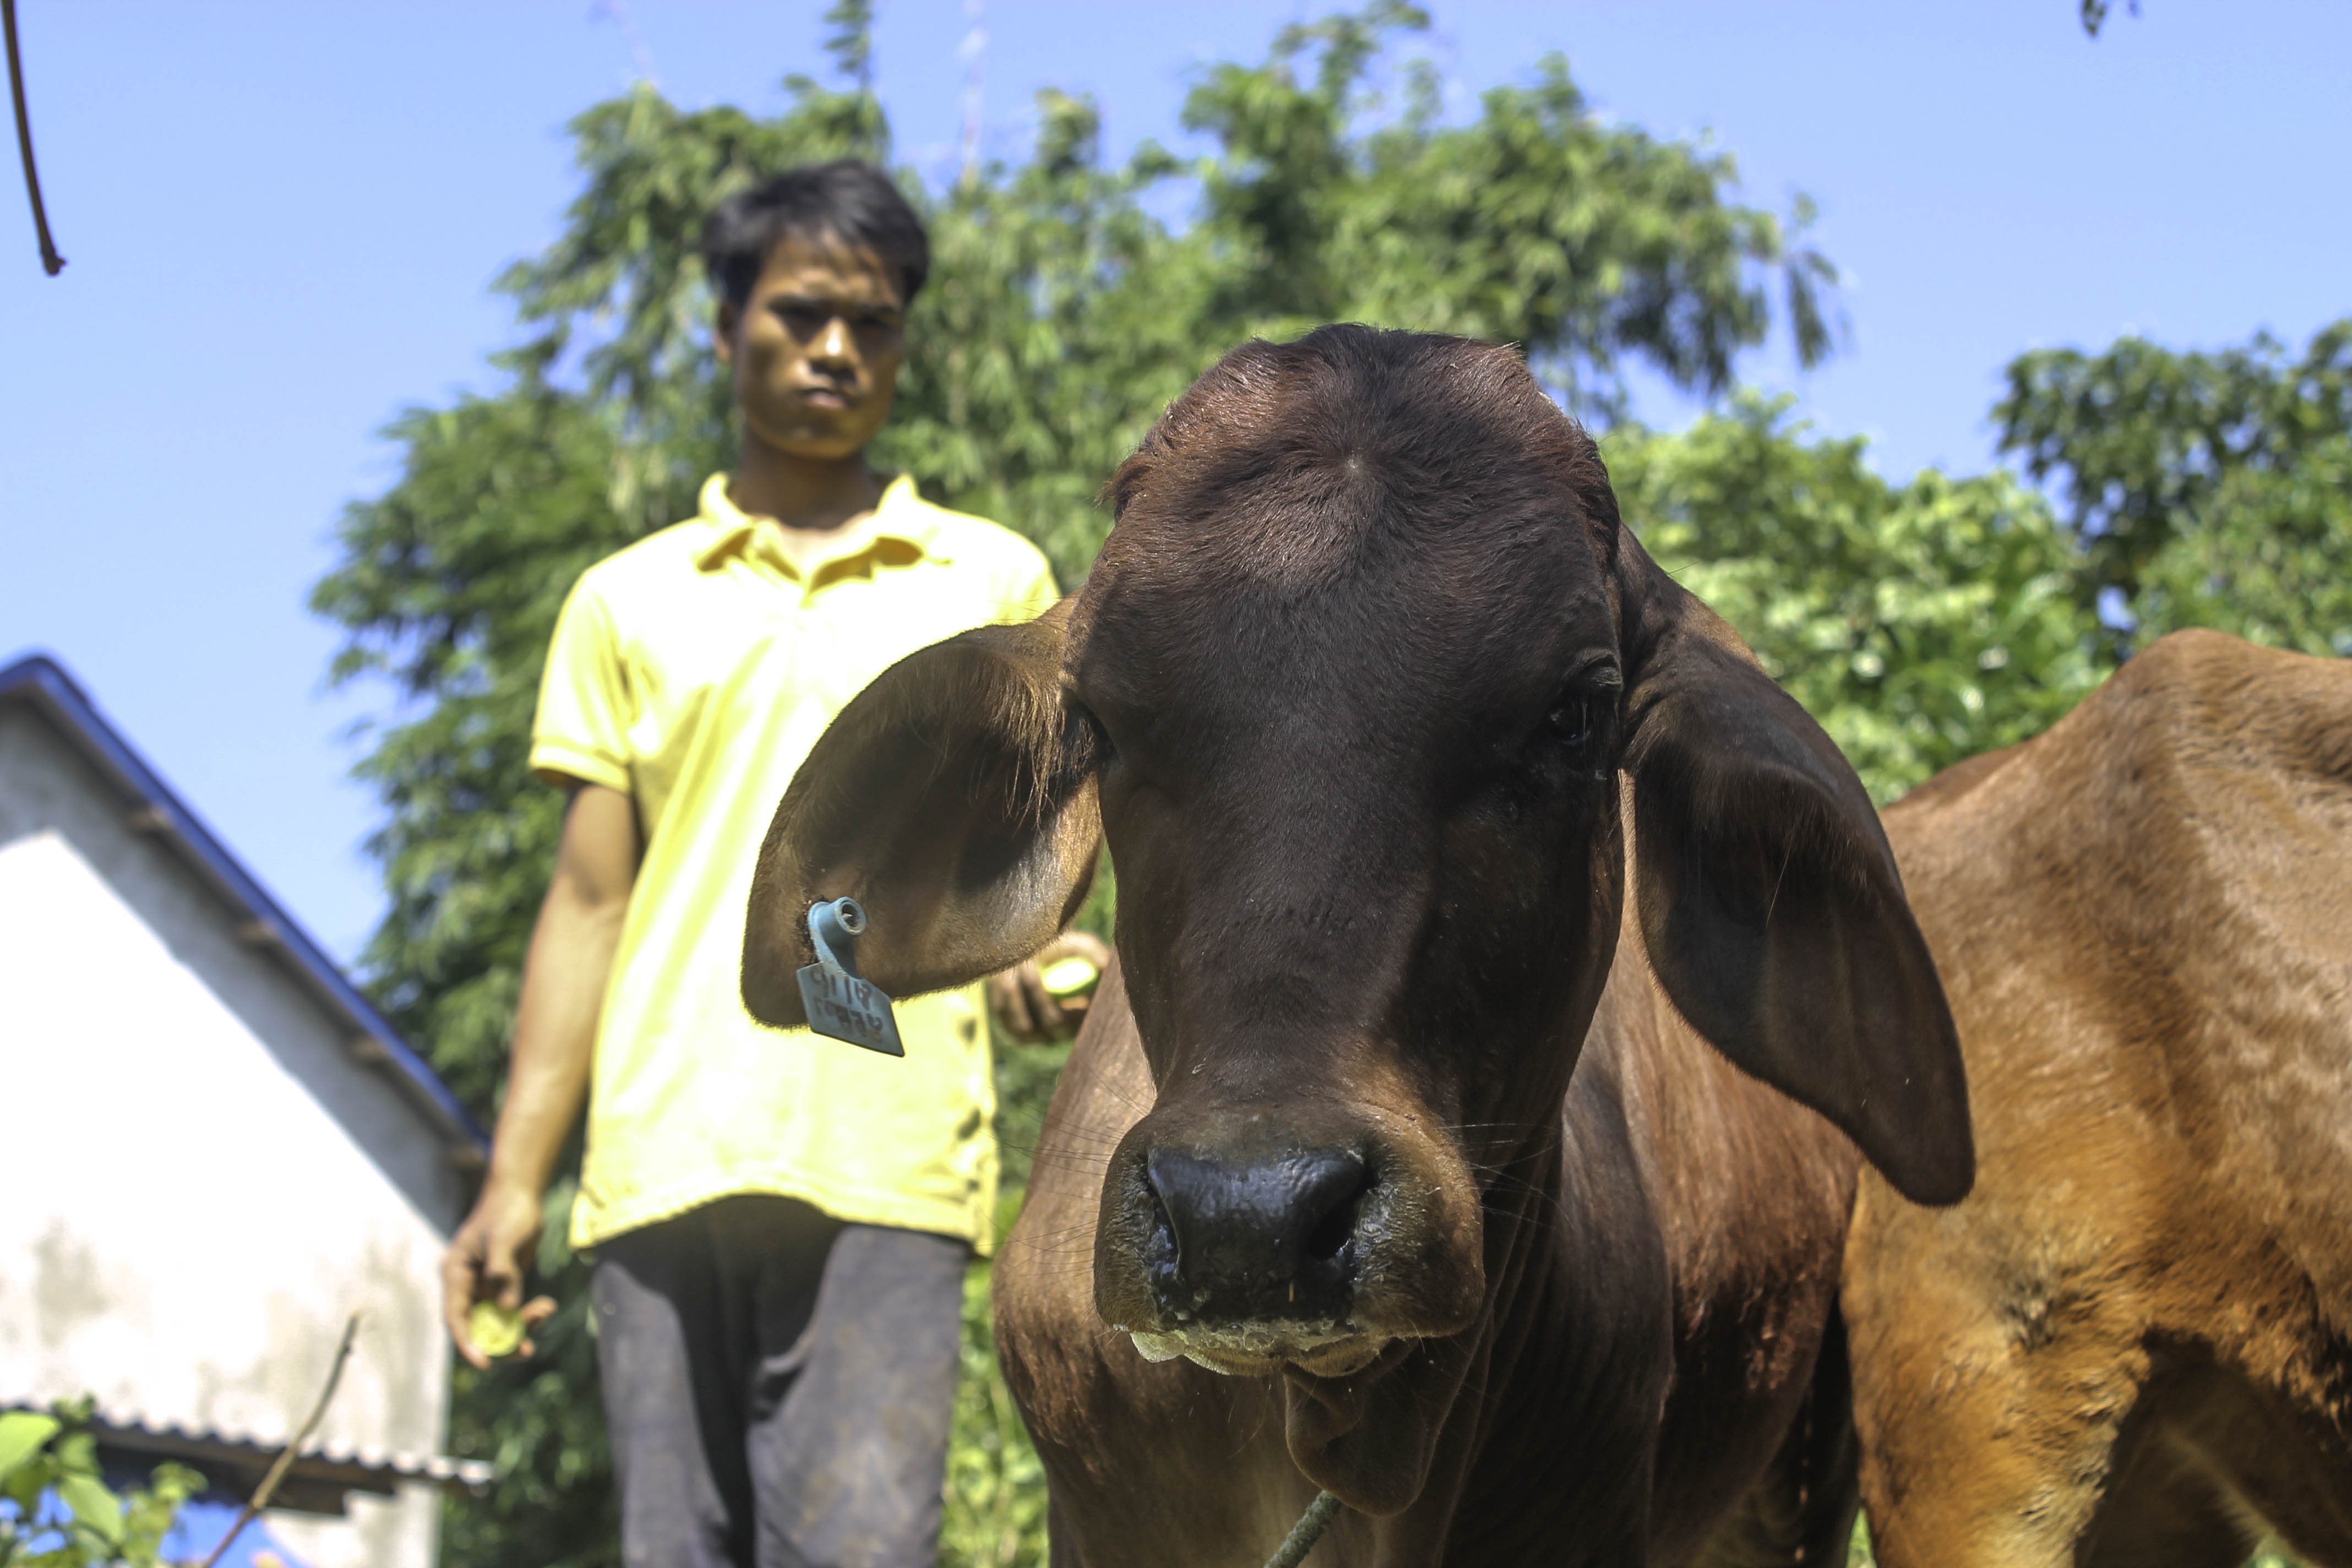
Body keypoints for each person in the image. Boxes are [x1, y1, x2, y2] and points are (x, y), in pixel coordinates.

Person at [439, 161, 1103, 1568]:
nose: (838, 349)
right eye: (800, 313)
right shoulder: (627, 598)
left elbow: (1018, 871)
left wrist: (1039, 965)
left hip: (888, 1153)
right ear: (727, 320)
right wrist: (514, 1182)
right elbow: (590, 900)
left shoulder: (988, 584)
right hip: (660, 1158)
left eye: (873, 323)